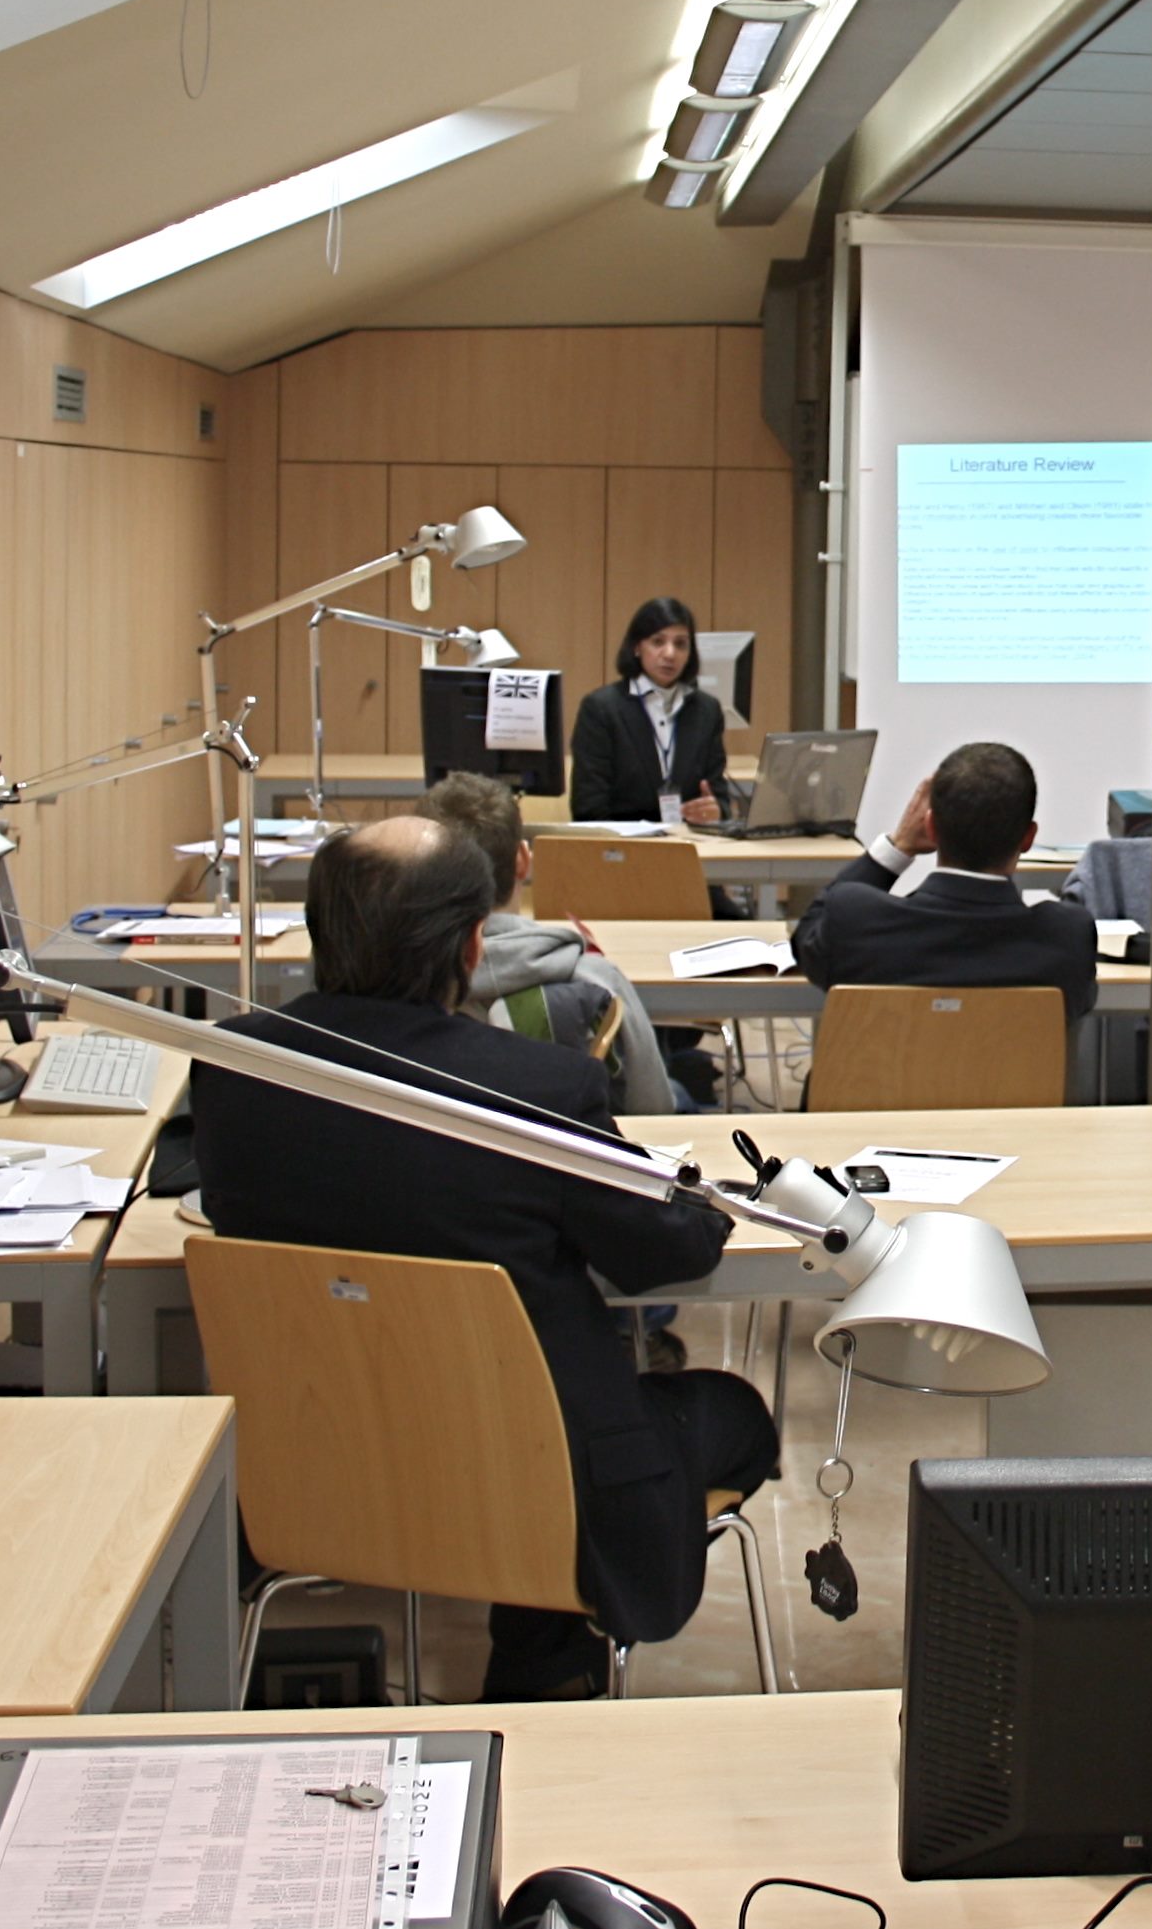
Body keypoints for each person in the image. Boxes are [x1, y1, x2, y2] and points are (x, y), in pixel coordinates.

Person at [186, 817, 777, 1699]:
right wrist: (701, 1198)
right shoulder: (537, 1089)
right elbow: (660, 1254)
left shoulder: (232, 1073)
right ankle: (544, 1655)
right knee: (734, 1416)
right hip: (523, 1476)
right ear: (472, 943)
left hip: (319, 1462)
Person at [416, 771, 711, 1111]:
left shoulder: (398, 979)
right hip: (573, 1141)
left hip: (445, 1133)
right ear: (523, 861)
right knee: (679, 1095)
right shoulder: (595, 978)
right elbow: (654, 1106)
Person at [791, 741, 1096, 1016]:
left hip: (889, 1066)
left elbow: (805, 941)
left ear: (930, 827)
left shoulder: (854, 921)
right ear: (1028, 838)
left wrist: (899, 847)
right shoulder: (1067, 938)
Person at [570, 596, 730, 827]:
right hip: (623, 843)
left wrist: (716, 811)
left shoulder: (707, 711)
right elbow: (588, 807)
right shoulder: (601, 709)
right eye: (658, 642)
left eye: (680, 644)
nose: (670, 654)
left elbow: (719, 797)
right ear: (637, 647)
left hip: (689, 841)